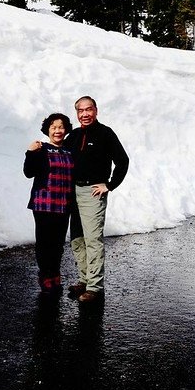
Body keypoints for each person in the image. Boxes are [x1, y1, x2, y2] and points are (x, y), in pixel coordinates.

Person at [64, 96, 129, 303]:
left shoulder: (105, 134)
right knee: (77, 239)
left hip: (92, 193)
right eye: (80, 111)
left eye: (88, 109)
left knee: (92, 240)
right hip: (72, 192)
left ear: (96, 111)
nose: (84, 114)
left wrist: (109, 185)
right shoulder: (73, 136)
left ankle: (94, 287)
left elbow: (122, 161)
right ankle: (84, 279)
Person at [23, 113, 75, 295]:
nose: (57, 131)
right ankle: (45, 275)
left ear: (66, 129)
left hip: (64, 204)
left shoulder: (70, 150)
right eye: (53, 127)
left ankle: (55, 274)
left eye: (61, 127)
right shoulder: (41, 149)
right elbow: (29, 172)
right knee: (45, 242)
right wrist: (30, 153)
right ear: (48, 130)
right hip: (44, 203)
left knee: (58, 243)